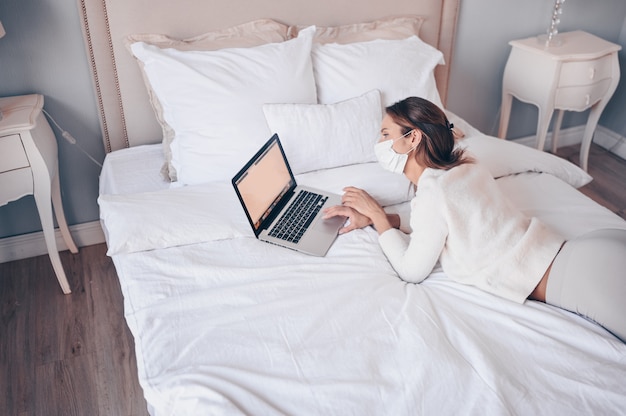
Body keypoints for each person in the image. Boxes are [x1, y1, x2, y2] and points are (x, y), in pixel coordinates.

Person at [323, 96, 626, 342]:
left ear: (412, 138)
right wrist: (382, 219)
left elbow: (411, 271)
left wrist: (377, 216)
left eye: (385, 134)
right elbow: (439, 220)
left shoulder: (432, 194)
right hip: (587, 252)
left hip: (581, 280)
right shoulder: (464, 169)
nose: (379, 142)